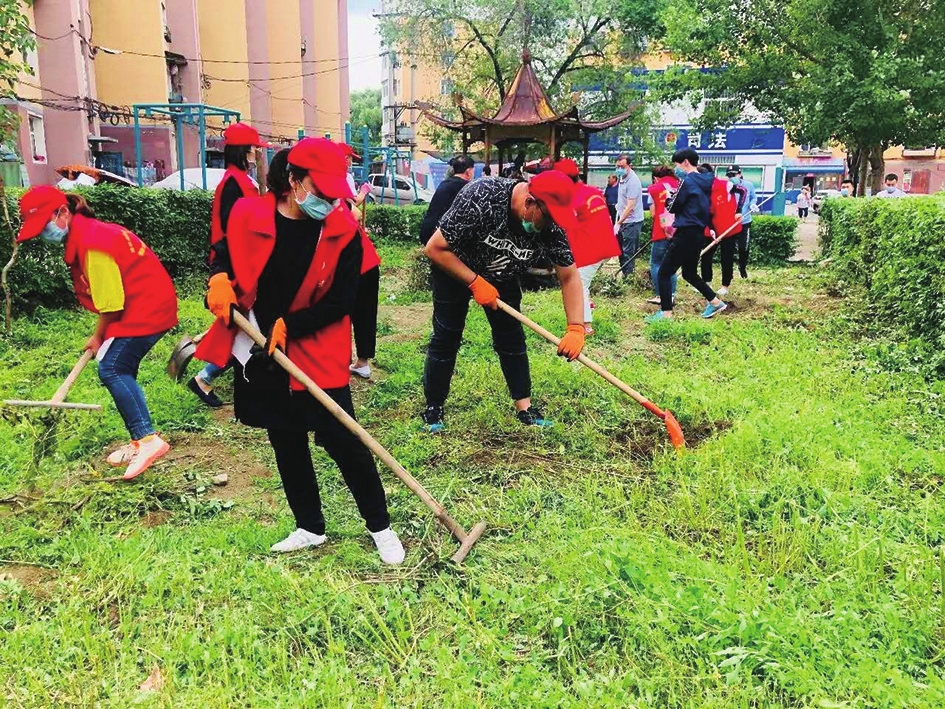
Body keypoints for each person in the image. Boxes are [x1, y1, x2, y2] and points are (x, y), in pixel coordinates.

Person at [194, 140, 404, 563]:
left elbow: (343, 300)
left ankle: (380, 527)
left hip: (314, 343)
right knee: (285, 438)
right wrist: (219, 278)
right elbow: (225, 255)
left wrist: (294, 325)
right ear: (292, 181)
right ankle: (309, 526)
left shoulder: (343, 229)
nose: (330, 202)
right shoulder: (249, 214)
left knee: (343, 439)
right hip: (260, 344)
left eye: (334, 194)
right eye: (321, 192)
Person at [16, 186, 178, 479]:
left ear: (63, 212)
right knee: (120, 365)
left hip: (147, 309)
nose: (43, 233)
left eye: (43, 225)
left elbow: (111, 303)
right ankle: (138, 440)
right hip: (143, 303)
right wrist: (100, 336)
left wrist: (98, 335)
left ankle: (148, 440)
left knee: (113, 368)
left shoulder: (93, 242)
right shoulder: (88, 232)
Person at [420, 170, 585, 431]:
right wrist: (474, 282)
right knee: (447, 335)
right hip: (454, 268)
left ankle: (526, 408)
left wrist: (576, 327)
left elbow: (569, 276)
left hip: (502, 274)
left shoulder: (551, 225)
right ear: (530, 202)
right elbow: (434, 248)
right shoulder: (483, 196)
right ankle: (433, 408)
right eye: (548, 218)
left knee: (511, 337)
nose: (551, 225)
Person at [189, 122, 266, 408]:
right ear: (244, 151)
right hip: (235, 264)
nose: (257, 153)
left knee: (242, 325)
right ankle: (205, 376)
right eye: (255, 148)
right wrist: (227, 272)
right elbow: (233, 229)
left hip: (243, 261)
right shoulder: (233, 184)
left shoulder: (241, 180)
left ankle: (207, 375)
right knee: (242, 324)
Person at [647, 148, 727, 322]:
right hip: (698, 232)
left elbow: (673, 206)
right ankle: (715, 302)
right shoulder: (707, 180)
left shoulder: (688, 181)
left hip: (685, 231)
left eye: (677, 164)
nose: (676, 169)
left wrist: (669, 198)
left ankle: (666, 313)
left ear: (685, 162)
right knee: (689, 273)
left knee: (664, 272)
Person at [554, 158, 621, 335]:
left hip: (591, 248)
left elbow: (565, 225)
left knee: (578, 284)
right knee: (584, 282)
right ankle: (587, 306)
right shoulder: (593, 191)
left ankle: (585, 325)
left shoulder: (572, 198)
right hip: (606, 245)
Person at [338, 142, 381, 380]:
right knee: (353, 310)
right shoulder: (335, 185)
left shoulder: (335, 188)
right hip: (359, 259)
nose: (350, 161)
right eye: (348, 158)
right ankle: (355, 360)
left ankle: (358, 360)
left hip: (360, 261)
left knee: (353, 310)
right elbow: (354, 209)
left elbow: (353, 212)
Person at [698, 163, 746, 297]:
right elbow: (706, 213)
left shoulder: (724, 185)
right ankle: (706, 282)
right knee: (706, 255)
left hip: (729, 228)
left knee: (726, 257)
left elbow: (743, 191)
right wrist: (711, 229)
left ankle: (725, 285)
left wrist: (739, 210)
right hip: (713, 228)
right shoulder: (701, 190)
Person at [419, 155, 476, 246]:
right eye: (473, 170)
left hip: (427, 232)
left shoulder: (445, 183)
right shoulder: (467, 187)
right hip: (439, 237)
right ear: (468, 172)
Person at [645, 166, 680, 305]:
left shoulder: (656, 188)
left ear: (656, 177)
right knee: (671, 263)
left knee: (656, 263)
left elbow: (654, 212)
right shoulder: (680, 185)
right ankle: (671, 294)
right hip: (678, 230)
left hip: (661, 231)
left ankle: (660, 295)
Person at [613, 154, 645, 277]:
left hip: (632, 222)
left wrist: (619, 222)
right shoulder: (622, 177)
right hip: (622, 219)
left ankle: (629, 278)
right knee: (620, 251)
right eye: (617, 166)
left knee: (628, 252)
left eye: (622, 166)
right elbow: (622, 200)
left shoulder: (633, 181)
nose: (619, 169)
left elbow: (630, 206)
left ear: (629, 166)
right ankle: (624, 274)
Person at [725, 165, 757, 279]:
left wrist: (753, 204)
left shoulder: (748, 185)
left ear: (740, 174)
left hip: (745, 221)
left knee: (744, 247)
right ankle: (729, 273)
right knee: (729, 248)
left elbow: (753, 197)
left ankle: (742, 267)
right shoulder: (726, 186)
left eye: (734, 175)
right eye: (729, 175)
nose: (732, 177)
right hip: (730, 223)